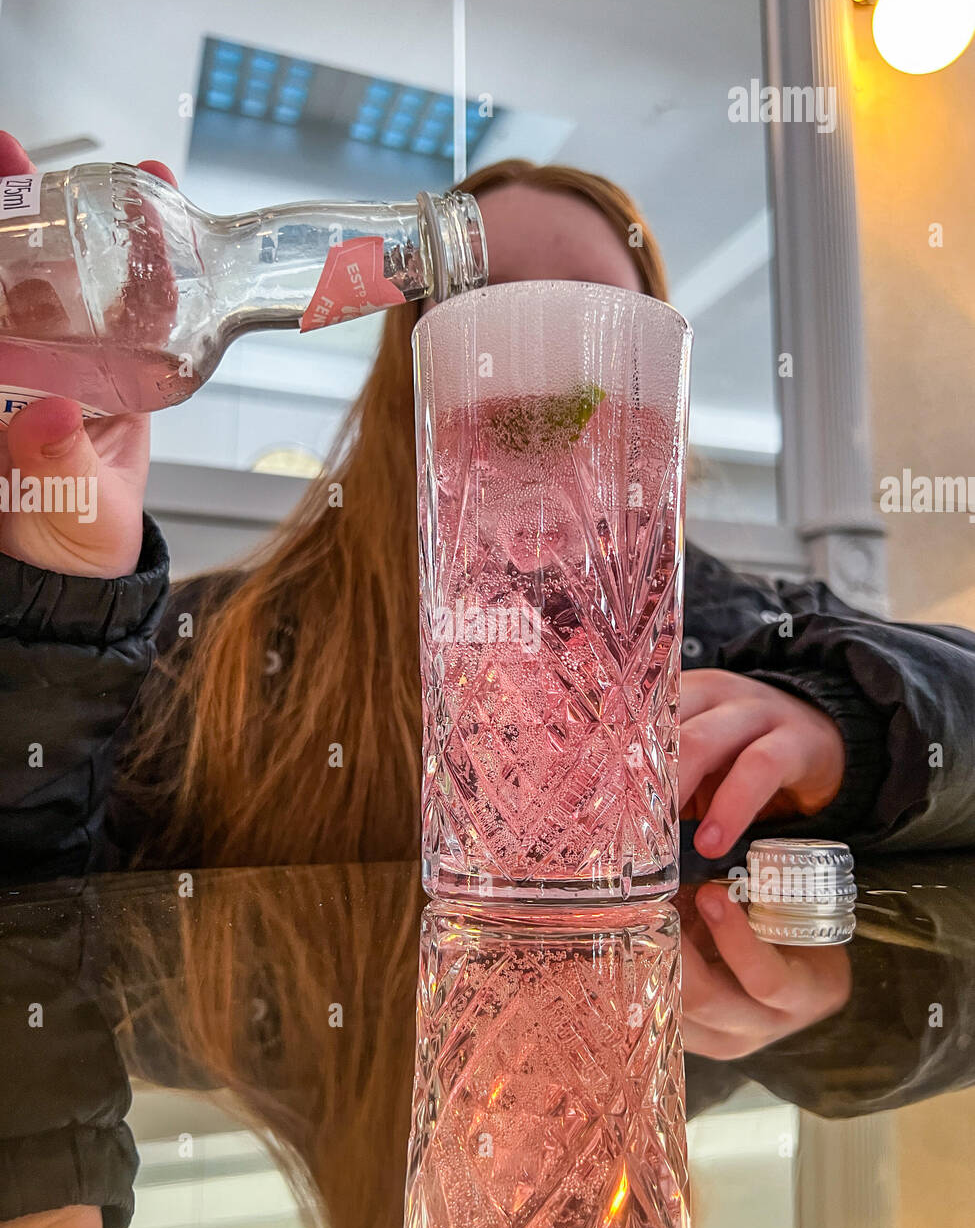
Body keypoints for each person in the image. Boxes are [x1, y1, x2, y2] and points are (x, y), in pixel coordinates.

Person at [2, 129, 975, 1066]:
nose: (534, 357)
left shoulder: (747, 632)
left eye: (587, 311)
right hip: (394, 1181)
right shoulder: (209, 646)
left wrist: (846, 728)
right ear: (409, 369)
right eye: (486, 300)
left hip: (640, 1139)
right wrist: (58, 599)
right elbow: (43, 946)